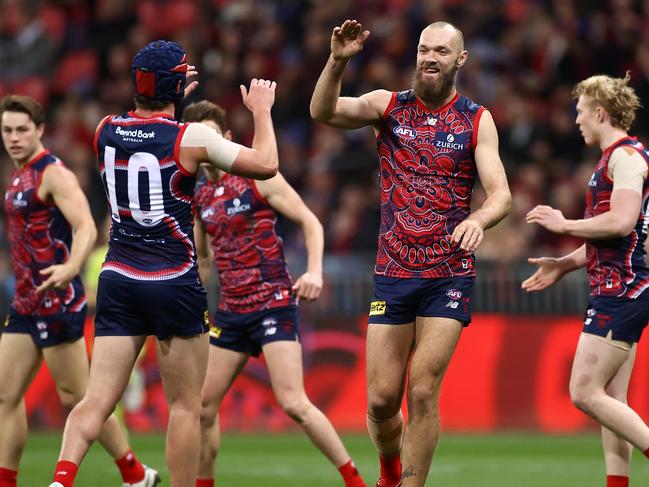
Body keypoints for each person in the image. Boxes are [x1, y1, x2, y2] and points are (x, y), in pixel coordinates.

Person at [49, 40, 279, 487]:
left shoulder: (103, 130)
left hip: (117, 278)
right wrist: (262, 111)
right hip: (172, 281)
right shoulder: (190, 138)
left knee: (96, 402)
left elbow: (144, 125)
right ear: (177, 87)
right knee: (184, 407)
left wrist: (170, 94)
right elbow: (266, 164)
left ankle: (60, 480)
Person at [310, 20, 511, 487]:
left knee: (422, 390)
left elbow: (500, 193)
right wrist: (338, 61)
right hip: (393, 272)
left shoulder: (477, 120)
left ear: (460, 60)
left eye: (441, 51)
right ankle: (389, 469)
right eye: (424, 49)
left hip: (449, 273)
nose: (429, 58)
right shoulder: (388, 106)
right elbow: (323, 111)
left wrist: (477, 220)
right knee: (381, 400)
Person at [183, 100, 367, 487]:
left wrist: (314, 271)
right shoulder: (199, 198)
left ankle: (354, 480)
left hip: (272, 304)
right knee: (202, 406)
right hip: (232, 313)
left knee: (293, 403)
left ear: (227, 140)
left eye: (213, 137)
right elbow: (202, 261)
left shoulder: (257, 178)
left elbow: (310, 222)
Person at [0, 94, 158, 487]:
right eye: (7, 130)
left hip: (56, 302)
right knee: (5, 395)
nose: (14, 138)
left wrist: (71, 268)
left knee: (79, 399)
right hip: (25, 303)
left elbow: (86, 226)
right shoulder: (17, 175)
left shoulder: (53, 173)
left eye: (22, 129)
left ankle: (135, 474)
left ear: (39, 130)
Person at [523, 73, 649, 487]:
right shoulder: (613, 157)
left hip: (623, 292)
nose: (575, 119)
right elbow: (618, 235)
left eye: (580, 111)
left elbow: (623, 220)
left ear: (599, 112)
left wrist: (563, 224)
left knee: (583, 392)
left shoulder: (626, 158)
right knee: (613, 400)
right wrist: (566, 263)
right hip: (616, 286)